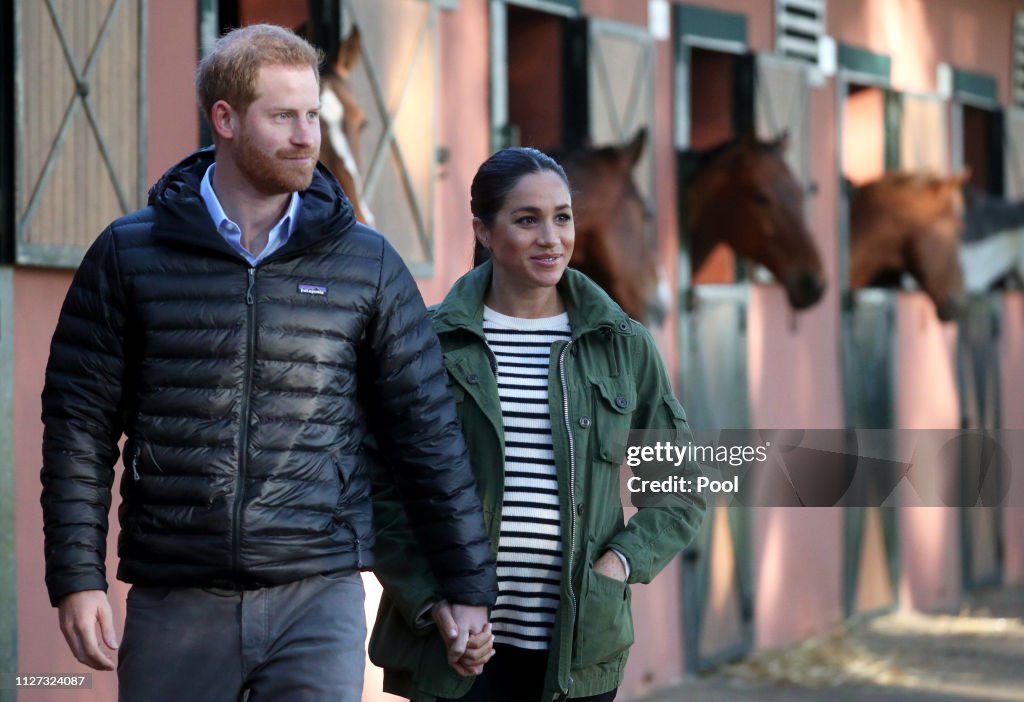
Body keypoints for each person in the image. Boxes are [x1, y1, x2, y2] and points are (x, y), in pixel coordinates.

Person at [39, 24, 496, 702]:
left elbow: (424, 433)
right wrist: (77, 576)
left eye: (312, 114)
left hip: (318, 601)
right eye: (284, 116)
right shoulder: (128, 255)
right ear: (224, 118)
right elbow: (79, 427)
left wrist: (464, 588)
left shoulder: (366, 263)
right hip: (176, 602)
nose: (307, 135)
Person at [368, 147, 707, 701]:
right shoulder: (425, 345)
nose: (551, 238)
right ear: (483, 229)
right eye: (527, 220)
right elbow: (378, 490)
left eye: (562, 217)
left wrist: (620, 564)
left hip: (578, 650)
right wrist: (434, 604)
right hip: (452, 651)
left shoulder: (622, 346)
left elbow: (682, 485)